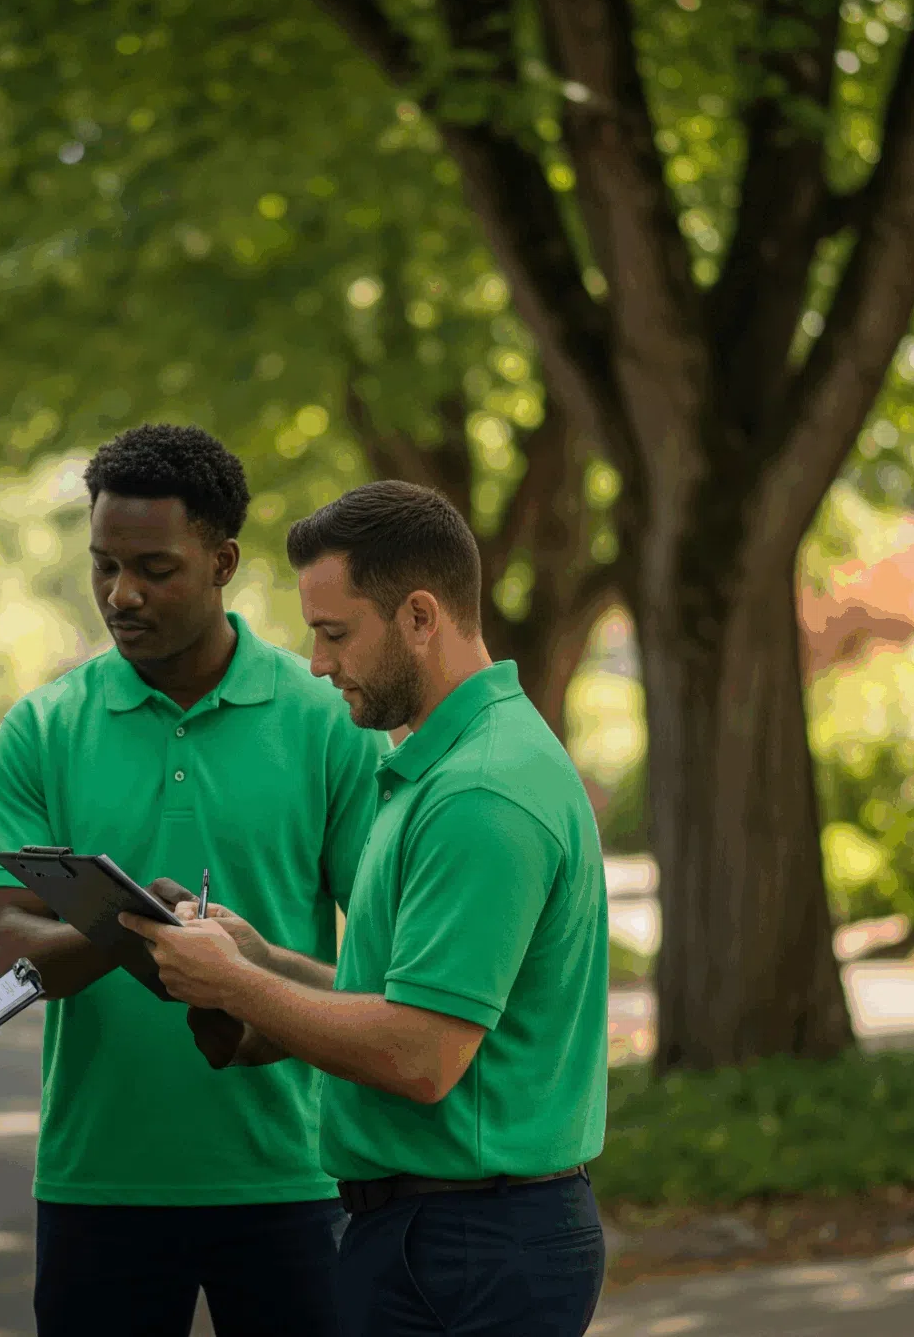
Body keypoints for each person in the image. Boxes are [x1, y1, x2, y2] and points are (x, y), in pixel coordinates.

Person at [128, 480, 610, 1337]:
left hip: (469, 1243)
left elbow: (423, 1057)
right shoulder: (447, 764)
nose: (316, 662)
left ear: (421, 618)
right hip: (446, 1234)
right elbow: (401, 995)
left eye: (334, 632)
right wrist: (260, 958)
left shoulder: (480, 792)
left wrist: (239, 988)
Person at [0, 425, 389, 1337]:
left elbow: (389, 952)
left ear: (223, 561)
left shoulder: (327, 719)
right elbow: (4, 953)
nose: (122, 594)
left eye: (155, 569)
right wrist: (130, 925)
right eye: (104, 566)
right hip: (99, 1184)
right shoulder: (44, 728)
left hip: (297, 1174)